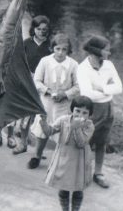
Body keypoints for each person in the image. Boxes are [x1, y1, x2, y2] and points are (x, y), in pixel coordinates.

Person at [77, 35, 122, 189]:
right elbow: (87, 93)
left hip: (108, 108)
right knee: (87, 142)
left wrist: (102, 89)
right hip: (92, 109)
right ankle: (82, 172)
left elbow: (119, 87)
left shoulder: (109, 65)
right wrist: (109, 90)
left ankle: (98, 173)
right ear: (96, 51)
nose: (109, 53)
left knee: (102, 142)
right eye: (106, 50)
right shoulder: (82, 68)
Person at [29, 33, 80, 169]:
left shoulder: (73, 65)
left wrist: (65, 94)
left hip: (64, 104)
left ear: (68, 50)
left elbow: (78, 86)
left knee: (62, 131)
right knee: (42, 129)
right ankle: (37, 155)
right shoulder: (45, 61)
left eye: (64, 49)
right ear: (52, 48)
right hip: (47, 102)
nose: (60, 52)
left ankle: (59, 159)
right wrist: (49, 91)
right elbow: (37, 81)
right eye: (57, 49)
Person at [40, 96, 95, 211]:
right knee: (63, 187)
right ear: (72, 110)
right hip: (64, 159)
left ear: (90, 115)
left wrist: (76, 128)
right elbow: (49, 131)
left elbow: (81, 143)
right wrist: (44, 122)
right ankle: (65, 209)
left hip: (80, 161)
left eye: (85, 113)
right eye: (77, 111)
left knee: (78, 189)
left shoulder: (89, 126)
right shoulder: (63, 120)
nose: (80, 115)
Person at [12, 15, 53, 155]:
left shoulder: (50, 47)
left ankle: (39, 151)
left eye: (45, 30)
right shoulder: (26, 43)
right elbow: (18, 61)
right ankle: (22, 143)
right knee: (26, 115)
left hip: (44, 83)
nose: (42, 32)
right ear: (33, 29)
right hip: (28, 80)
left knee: (42, 115)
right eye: (39, 29)